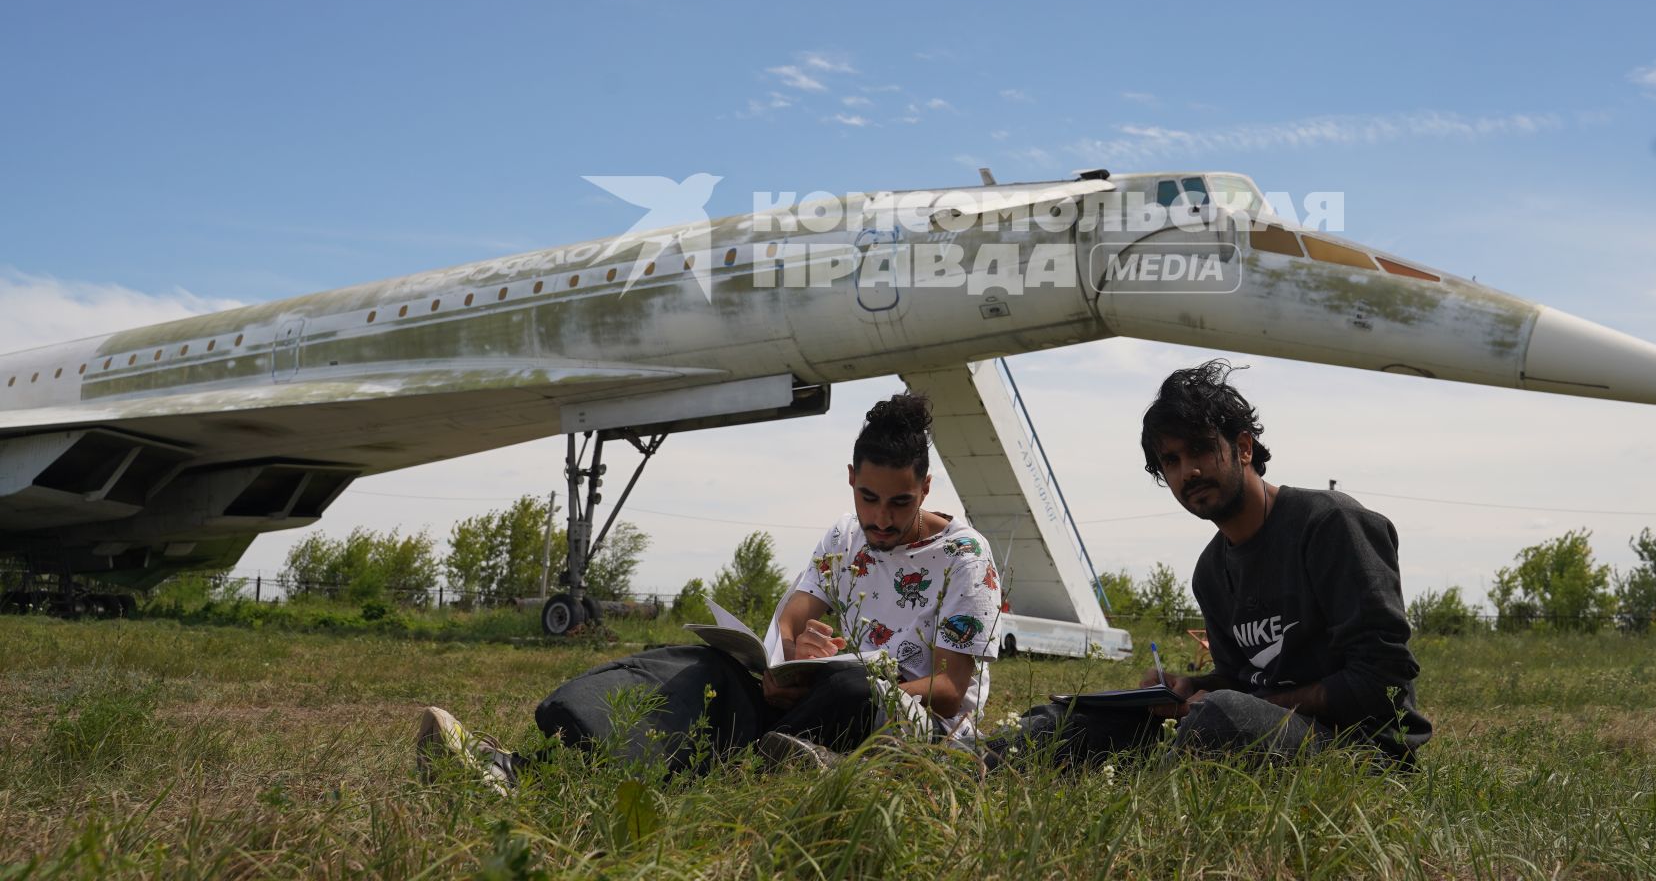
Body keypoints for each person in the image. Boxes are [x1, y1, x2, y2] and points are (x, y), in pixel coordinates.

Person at [416, 392, 1002, 786]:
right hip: (817, 708)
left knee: (857, 686)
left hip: (914, 733)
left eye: (899, 502)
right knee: (700, 667)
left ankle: (750, 769)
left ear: (925, 487)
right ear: (851, 480)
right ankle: (520, 769)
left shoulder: (965, 558)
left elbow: (951, 691)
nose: (880, 518)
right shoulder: (844, 537)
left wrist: (850, 674)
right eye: (868, 498)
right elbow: (792, 617)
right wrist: (782, 664)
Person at [986, 359, 1431, 769]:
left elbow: (1383, 680)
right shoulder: (1211, 570)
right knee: (1081, 714)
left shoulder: (1330, 525)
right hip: (1255, 727)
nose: (1188, 472)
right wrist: (1186, 685)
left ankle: (1147, 801)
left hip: (1360, 747)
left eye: (1200, 450)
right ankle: (965, 766)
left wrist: (1232, 703)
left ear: (1242, 447)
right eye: (1171, 461)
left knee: (1222, 717)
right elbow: (1244, 679)